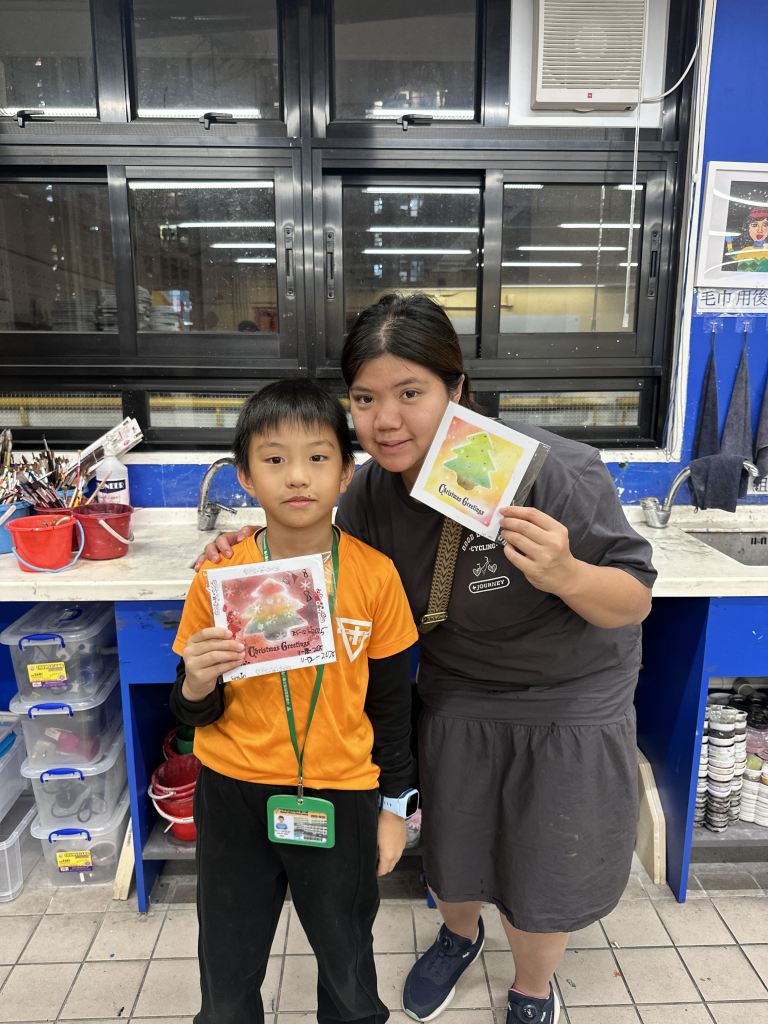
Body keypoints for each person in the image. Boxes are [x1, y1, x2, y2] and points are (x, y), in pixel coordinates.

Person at [198, 294, 656, 1024]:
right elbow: (325, 558)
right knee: (454, 843)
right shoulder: (372, 493)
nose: (386, 420)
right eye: (365, 398)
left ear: (457, 388)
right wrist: (243, 550)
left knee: (543, 860)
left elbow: (633, 600)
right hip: (454, 690)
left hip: (564, 694)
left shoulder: (550, 471)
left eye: (410, 393)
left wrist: (567, 573)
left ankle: (532, 987)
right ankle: (458, 937)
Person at [174, 378, 419, 1024]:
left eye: (317, 457)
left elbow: (393, 708)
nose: (297, 476)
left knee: (347, 965)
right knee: (226, 972)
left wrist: (396, 807)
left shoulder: (374, 576)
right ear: (246, 478)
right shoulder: (220, 574)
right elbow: (191, 709)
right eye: (274, 459)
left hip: (340, 791)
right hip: (232, 790)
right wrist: (196, 681)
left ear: (346, 472)